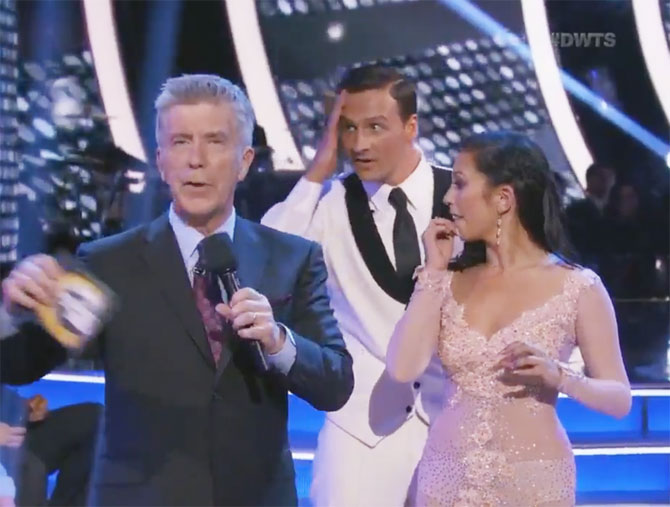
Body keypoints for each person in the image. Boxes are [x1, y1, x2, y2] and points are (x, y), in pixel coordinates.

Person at [1, 74, 353, 506]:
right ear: (161, 160)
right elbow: (20, 365)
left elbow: (336, 384)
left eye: (215, 141)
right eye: (181, 142)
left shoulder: (292, 257)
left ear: (243, 162)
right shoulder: (109, 261)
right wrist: (11, 310)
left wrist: (279, 341)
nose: (196, 160)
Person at [387, 131, 631, 506]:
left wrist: (560, 376)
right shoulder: (447, 281)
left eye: (460, 184)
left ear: (503, 198)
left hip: (533, 480)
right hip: (447, 477)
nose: (449, 199)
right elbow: (403, 368)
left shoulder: (578, 287)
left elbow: (619, 400)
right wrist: (433, 271)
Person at [262, 64, 454, 506]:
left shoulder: (460, 194)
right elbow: (269, 265)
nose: (360, 144)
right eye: (348, 128)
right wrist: (318, 168)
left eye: (375, 127)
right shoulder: (327, 202)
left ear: (411, 126)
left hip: (454, 421)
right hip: (360, 428)